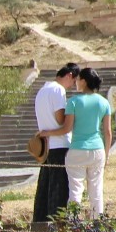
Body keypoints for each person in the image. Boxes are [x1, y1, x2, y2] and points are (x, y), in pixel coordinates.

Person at [40, 66, 114, 216]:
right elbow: (107, 132)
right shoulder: (104, 102)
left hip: (77, 150)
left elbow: (66, 129)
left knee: (75, 191)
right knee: (96, 191)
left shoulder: (73, 102)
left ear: (84, 82)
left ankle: (74, 225)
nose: (76, 82)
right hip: (98, 150)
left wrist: (47, 133)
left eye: (78, 79)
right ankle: (97, 225)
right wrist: (106, 155)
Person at [31, 63, 80, 221]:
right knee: (59, 191)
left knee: (45, 190)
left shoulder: (42, 91)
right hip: (60, 146)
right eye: (73, 82)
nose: (72, 86)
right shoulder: (58, 90)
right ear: (70, 76)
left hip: (47, 147)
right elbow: (60, 120)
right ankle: (56, 225)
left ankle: (41, 223)